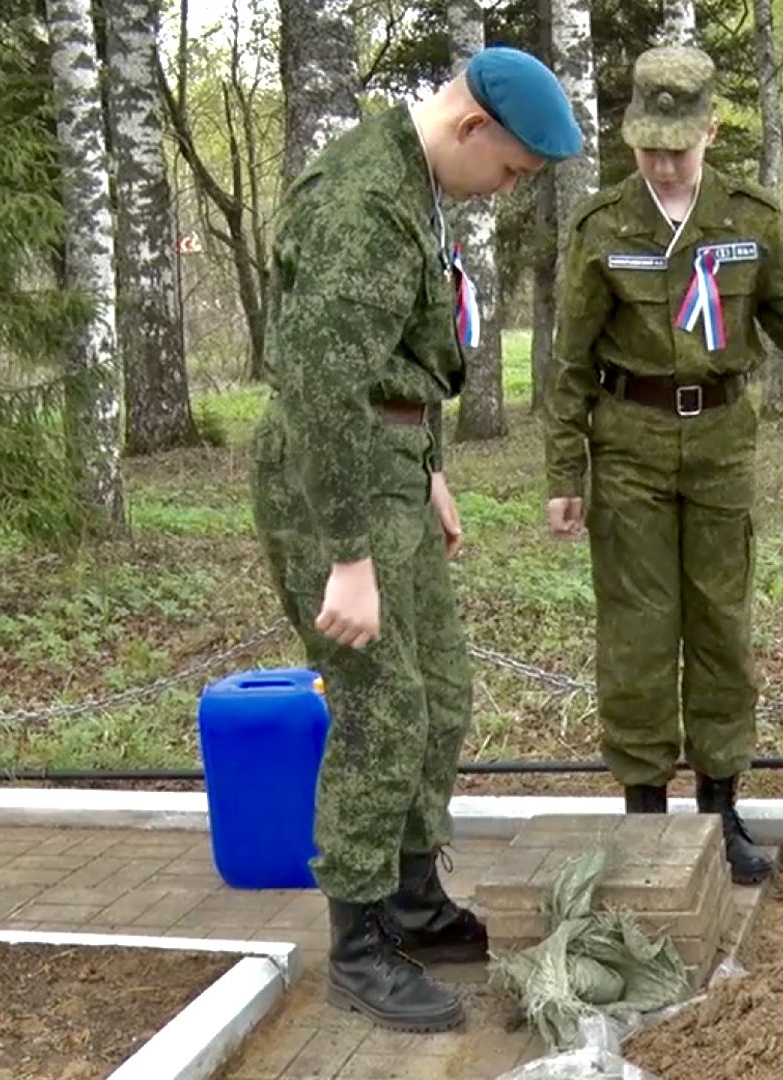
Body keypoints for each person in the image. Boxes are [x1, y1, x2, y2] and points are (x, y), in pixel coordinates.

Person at [252, 48, 582, 1032]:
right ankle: (357, 947)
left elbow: (396, 352)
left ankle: (407, 898)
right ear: (473, 126)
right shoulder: (365, 201)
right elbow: (318, 387)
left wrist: (429, 467)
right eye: (514, 170)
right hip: (333, 479)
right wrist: (348, 556)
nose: (507, 190)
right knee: (381, 711)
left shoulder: (418, 183)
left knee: (437, 693)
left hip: (389, 461)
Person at [544, 44, 783, 886]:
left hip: (718, 445)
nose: (664, 163)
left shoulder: (749, 219)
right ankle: (644, 811)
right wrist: (567, 474)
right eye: (648, 147)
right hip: (628, 444)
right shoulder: (603, 227)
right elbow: (567, 363)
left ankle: (719, 805)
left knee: (720, 625)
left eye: (678, 145)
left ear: (711, 130)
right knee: (636, 632)